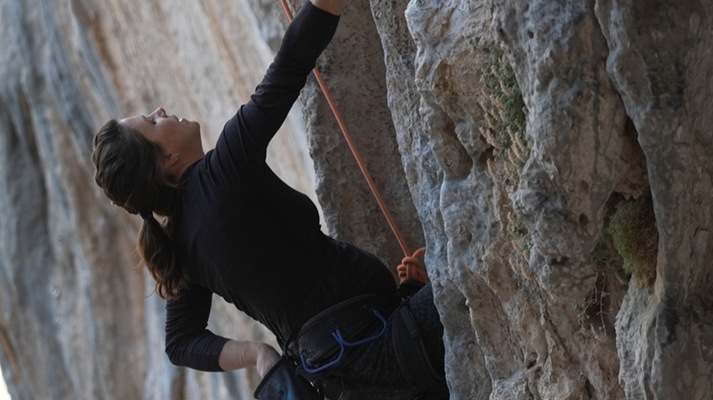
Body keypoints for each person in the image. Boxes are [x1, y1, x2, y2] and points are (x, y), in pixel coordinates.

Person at [91, 0, 448, 399]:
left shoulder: (180, 244)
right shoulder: (224, 169)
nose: (160, 111)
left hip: (357, 370)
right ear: (167, 159)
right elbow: (289, 67)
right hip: (391, 350)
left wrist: (259, 354)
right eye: (152, 121)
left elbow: (181, 341)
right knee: (478, 266)